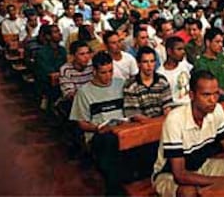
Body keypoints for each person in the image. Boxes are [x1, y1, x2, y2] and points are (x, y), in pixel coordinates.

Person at [152, 70, 224, 197]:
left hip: (202, 165)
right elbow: (179, 174)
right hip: (169, 174)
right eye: (206, 95)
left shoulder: (217, 110)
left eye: (216, 94)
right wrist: (222, 182)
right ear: (192, 95)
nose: (212, 100)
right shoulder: (175, 119)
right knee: (189, 193)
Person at [69, 51, 126, 195]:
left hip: (122, 130)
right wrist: (97, 128)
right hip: (98, 135)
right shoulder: (84, 92)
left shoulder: (121, 84)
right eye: (103, 72)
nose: (108, 76)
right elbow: (81, 123)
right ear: (94, 71)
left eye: (111, 71)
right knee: (110, 145)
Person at [124, 46, 173, 121]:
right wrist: (153, 123)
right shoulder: (131, 85)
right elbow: (134, 114)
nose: (149, 65)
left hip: (162, 121)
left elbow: (168, 106)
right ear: (138, 64)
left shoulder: (162, 81)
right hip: (141, 126)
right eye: (145, 62)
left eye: (152, 61)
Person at [194, 28, 224, 96]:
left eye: (221, 42)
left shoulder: (220, 56)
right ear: (208, 43)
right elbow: (206, 85)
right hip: (217, 96)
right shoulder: (201, 63)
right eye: (217, 42)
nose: (221, 45)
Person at [157, 36, 193, 107]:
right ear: (169, 51)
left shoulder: (185, 65)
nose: (183, 52)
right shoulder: (161, 73)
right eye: (179, 49)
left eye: (183, 49)